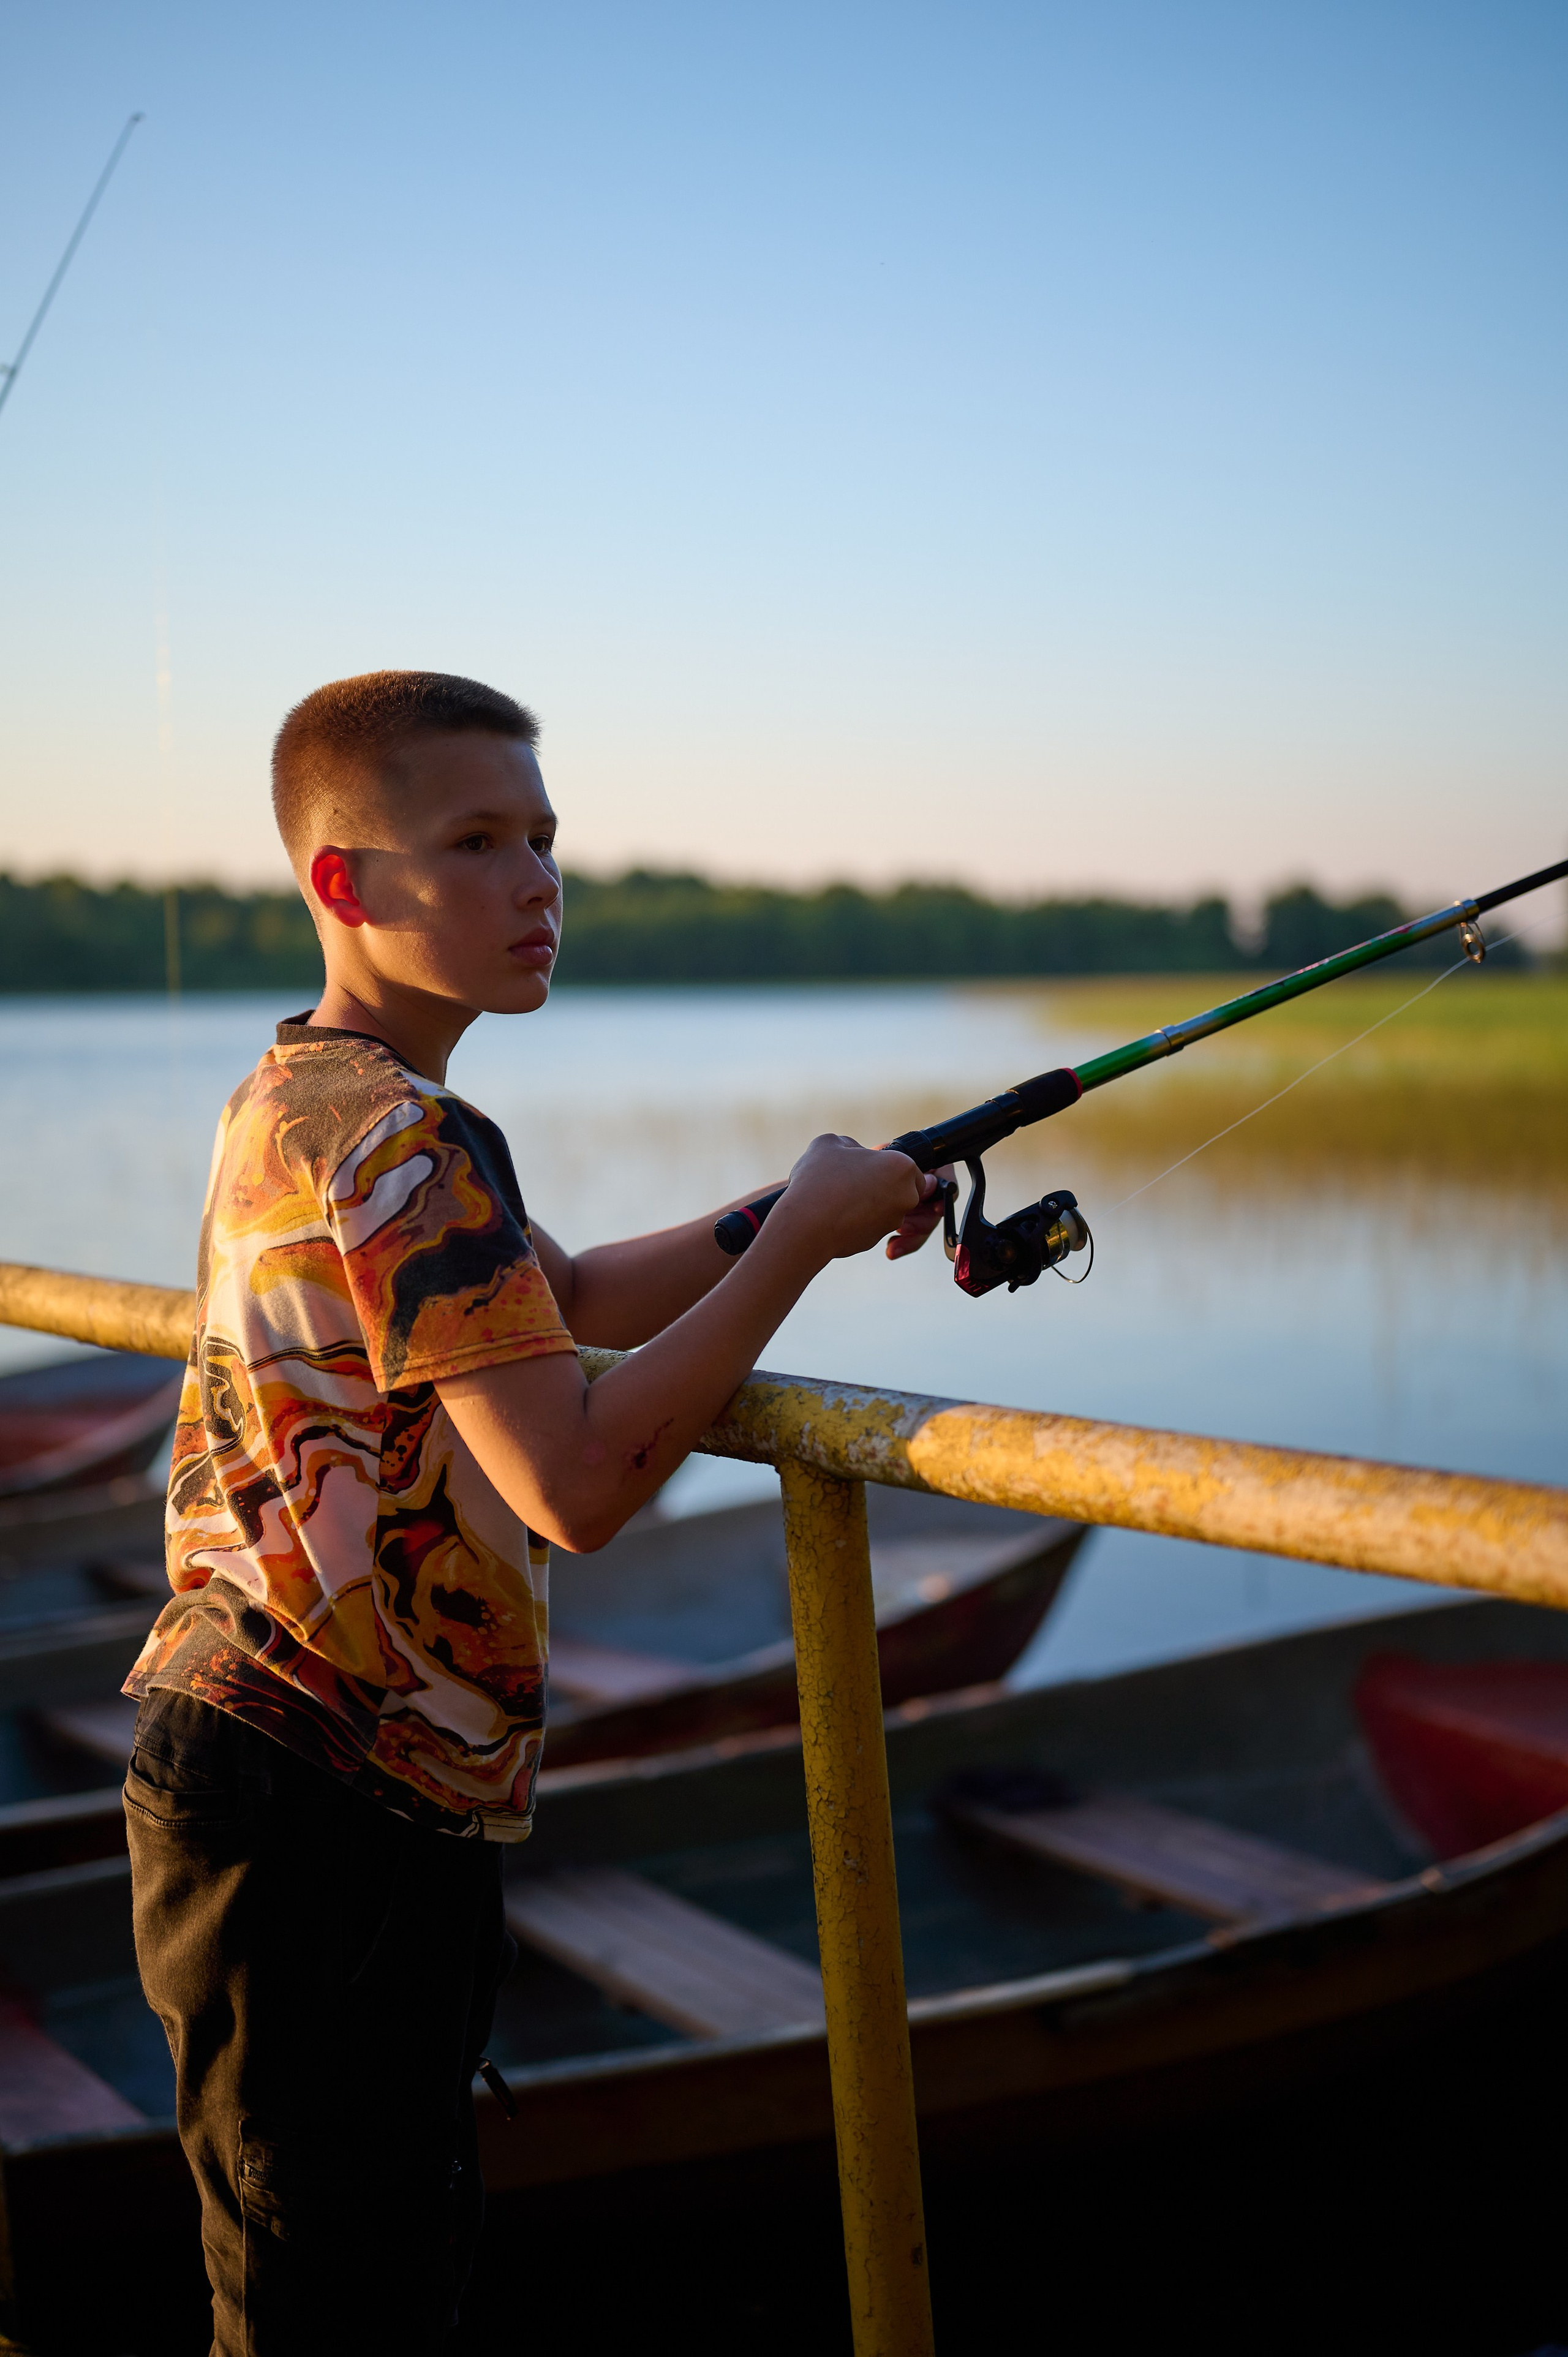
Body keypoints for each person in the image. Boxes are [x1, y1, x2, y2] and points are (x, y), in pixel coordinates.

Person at [122, 670, 947, 2355]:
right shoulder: (409, 1141)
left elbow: (554, 1294)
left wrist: (796, 1205)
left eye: (546, 841)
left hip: (279, 1781)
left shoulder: (311, 1096)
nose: (537, 883)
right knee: (333, 2310)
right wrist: (793, 1246)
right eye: (478, 843)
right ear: (346, 882)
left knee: (321, 2285)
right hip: (321, 1816)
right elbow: (572, 1485)